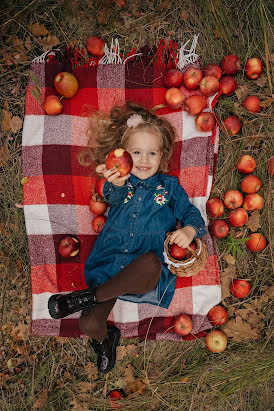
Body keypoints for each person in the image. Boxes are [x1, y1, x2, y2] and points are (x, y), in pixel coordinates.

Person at [48, 101, 206, 374]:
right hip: (110, 264)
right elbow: (115, 195)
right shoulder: (119, 183)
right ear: (124, 156)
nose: (144, 160)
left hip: (144, 272)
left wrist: (189, 230)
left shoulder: (168, 187)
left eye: (152, 153)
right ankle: (106, 337)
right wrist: (117, 181)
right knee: (89, 325)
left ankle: (86, 297)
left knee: (151, 263)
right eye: (136, 152)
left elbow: (191, 213)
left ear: (162, 156)